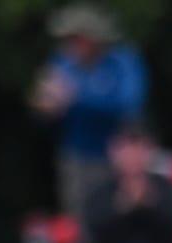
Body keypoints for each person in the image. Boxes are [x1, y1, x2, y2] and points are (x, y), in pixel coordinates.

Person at [30, 3, 147, 218]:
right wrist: (45, 106)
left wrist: (77, 97)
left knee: (122, 220)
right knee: (81, 223)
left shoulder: (122, 61)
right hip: (77, 160)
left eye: (76, 38)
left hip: (121, 161)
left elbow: (128, 104)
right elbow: (44, 111)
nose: (71, 45)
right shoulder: (63, 62)